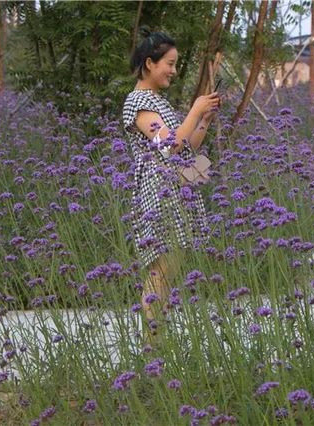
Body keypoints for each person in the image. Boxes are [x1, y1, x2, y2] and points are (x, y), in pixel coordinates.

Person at [122, 28, 220, 327]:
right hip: (157, 193)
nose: (174, 71)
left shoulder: (157, 101)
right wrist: (195, 108)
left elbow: (185, 147)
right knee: (160, 273)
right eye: (169, 63)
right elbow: (168, 146)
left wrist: (203, 120)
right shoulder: (138, 103)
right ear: (150, 63)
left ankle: (157, 344)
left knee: (169, 270)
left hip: (174, 188)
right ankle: (151, 348)